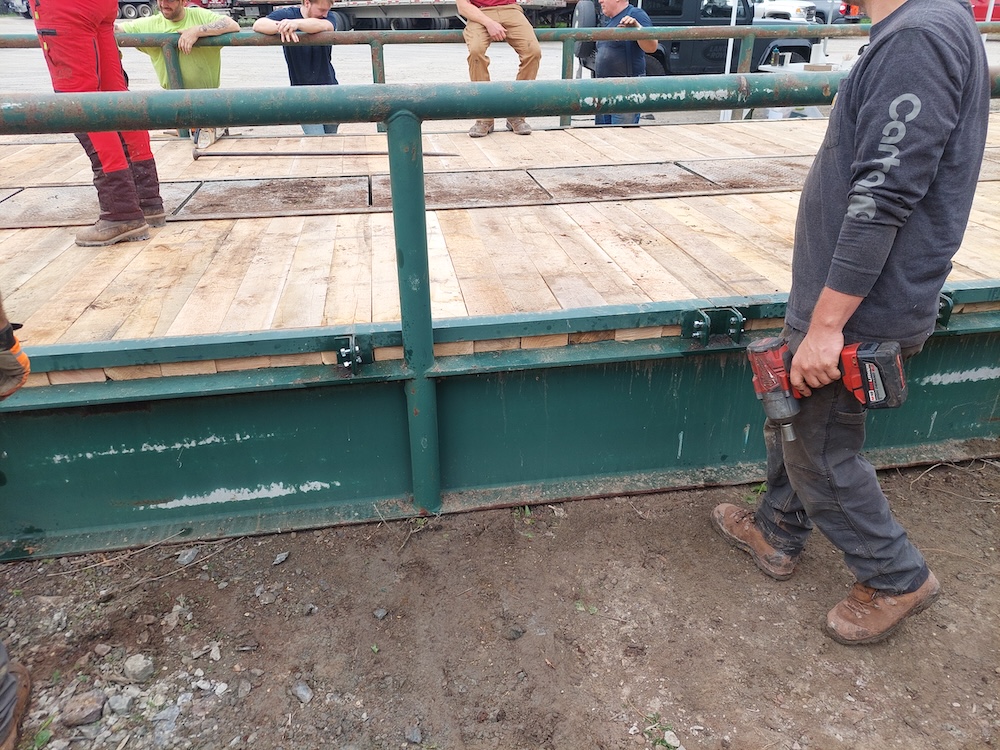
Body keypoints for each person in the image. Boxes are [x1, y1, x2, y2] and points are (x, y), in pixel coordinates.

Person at [711, 0, 989, 646]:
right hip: (840, 298)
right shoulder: (921, 29)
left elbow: (882, 195)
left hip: (859, 310)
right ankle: (778, 528)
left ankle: (895, 576)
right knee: (796, 414)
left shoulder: (918, 39)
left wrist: (829, 325)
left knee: (821, 447)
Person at [31, 0, 165, 247]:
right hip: (100, 6)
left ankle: (122, 212)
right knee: (112, 95)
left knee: (80, 104)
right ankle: (147, 200)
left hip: (64, 8)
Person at [118, 0, 241, 148]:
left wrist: (197, 31)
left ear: (183, 1)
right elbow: (117, 30)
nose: (163, 4)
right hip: (174, 104)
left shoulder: (199, 16)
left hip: (207, 101)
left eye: (169, 0)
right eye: (160, 0)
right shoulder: (151, 23)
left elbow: (232, 25)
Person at [252, 0, 340, 135]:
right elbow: (259, 24)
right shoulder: (287, 14)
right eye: (321, 10)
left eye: (327, 10)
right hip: (302, 95)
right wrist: (283, 27)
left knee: (331, 137)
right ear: (307, 3)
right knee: (317, 139)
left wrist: (296, 24)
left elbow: (325, 25)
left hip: (330, 91)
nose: (325, 14)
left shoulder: (328, 17)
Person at [455, 0, 541, 138]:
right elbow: (463, 6)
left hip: (510, 9)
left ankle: (517, 114)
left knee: (533, 52)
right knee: (476, 51)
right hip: (479, 11)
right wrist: (489, 23)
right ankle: (484, 116)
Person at [593, 0, 657, 126]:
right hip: (604, 90)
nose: (600, 1)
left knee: (621, 137)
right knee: (602, 136)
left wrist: (637, 28)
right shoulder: (609, 21)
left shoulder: (635, 14)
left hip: (626, 90)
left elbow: (652, 46)